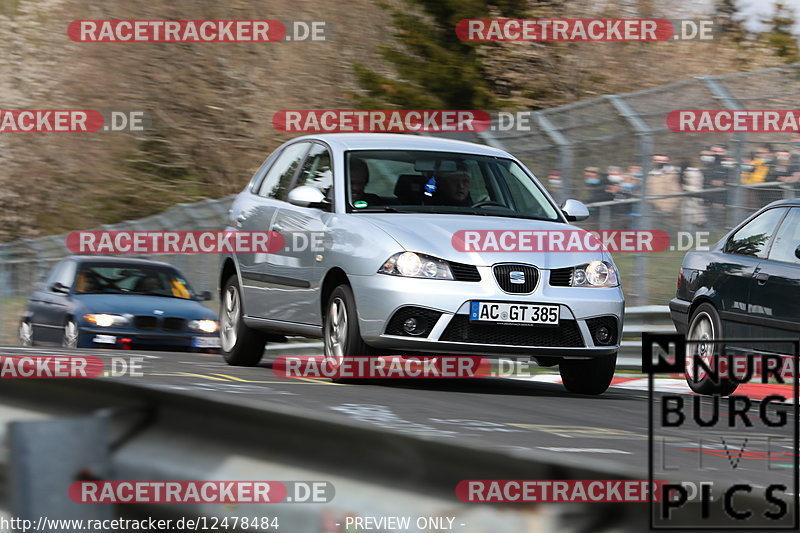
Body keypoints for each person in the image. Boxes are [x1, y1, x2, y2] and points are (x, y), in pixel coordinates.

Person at [645, 154, 682, 218]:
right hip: (653, 209)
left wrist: (670, 207)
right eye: (657, 160)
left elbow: (677, 190)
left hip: (670, 209)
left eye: (663, 160)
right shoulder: (650, 173)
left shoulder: (674, 173)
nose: (660, 162)